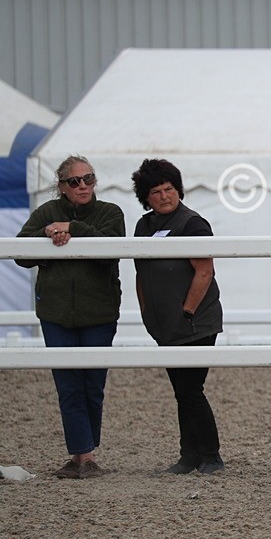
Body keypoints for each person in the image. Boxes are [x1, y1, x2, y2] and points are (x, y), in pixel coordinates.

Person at [16, 155, 124, 479]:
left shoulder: (111, 213)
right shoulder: (46, 213)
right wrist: (48, 234)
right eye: (74, 181)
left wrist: (72, 229)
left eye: (88, 179)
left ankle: (82, 453)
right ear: (61, 186)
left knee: (93, 384)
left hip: (99, 313)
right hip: (56, 313)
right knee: (68, 385)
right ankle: (84, 454)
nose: (83, 186)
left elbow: (111, 250)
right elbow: (20, 252)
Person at [130, 159, 225, 475]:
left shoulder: (193, 224)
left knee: (190, 389)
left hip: (196, 322)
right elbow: (140, 273)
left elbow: (204, 271)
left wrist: (187, 312)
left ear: (178, 190)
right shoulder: (143, 227)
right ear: (146, 197)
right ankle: (189, 455)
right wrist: (146, 312)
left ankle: (210, 455)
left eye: (169, 189)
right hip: (164, 325)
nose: (164, 196)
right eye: (156, 192)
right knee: (181, 390)